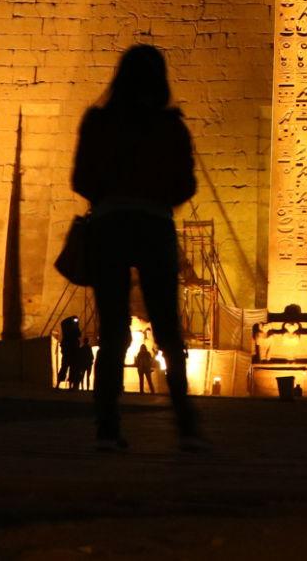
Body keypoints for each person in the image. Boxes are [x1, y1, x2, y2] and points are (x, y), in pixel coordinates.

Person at [70, 44, 204, 451]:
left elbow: (81, 179)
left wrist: (111, 194)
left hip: (110, 224)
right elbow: (186, 185)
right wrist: (156, 194)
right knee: (167, 329)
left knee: (111, 332)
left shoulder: (98, 121)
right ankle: (186, 426)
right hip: (154, 225)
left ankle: (107, 426)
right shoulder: (169, 127)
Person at [57, 316, 83, 390]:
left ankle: (71, 386)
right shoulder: (67, 336)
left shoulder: (74, 334)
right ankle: (59, 384)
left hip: (72, 354)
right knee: (64, 369)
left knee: (72, 370)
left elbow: (79, 334)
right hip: (68, 354)